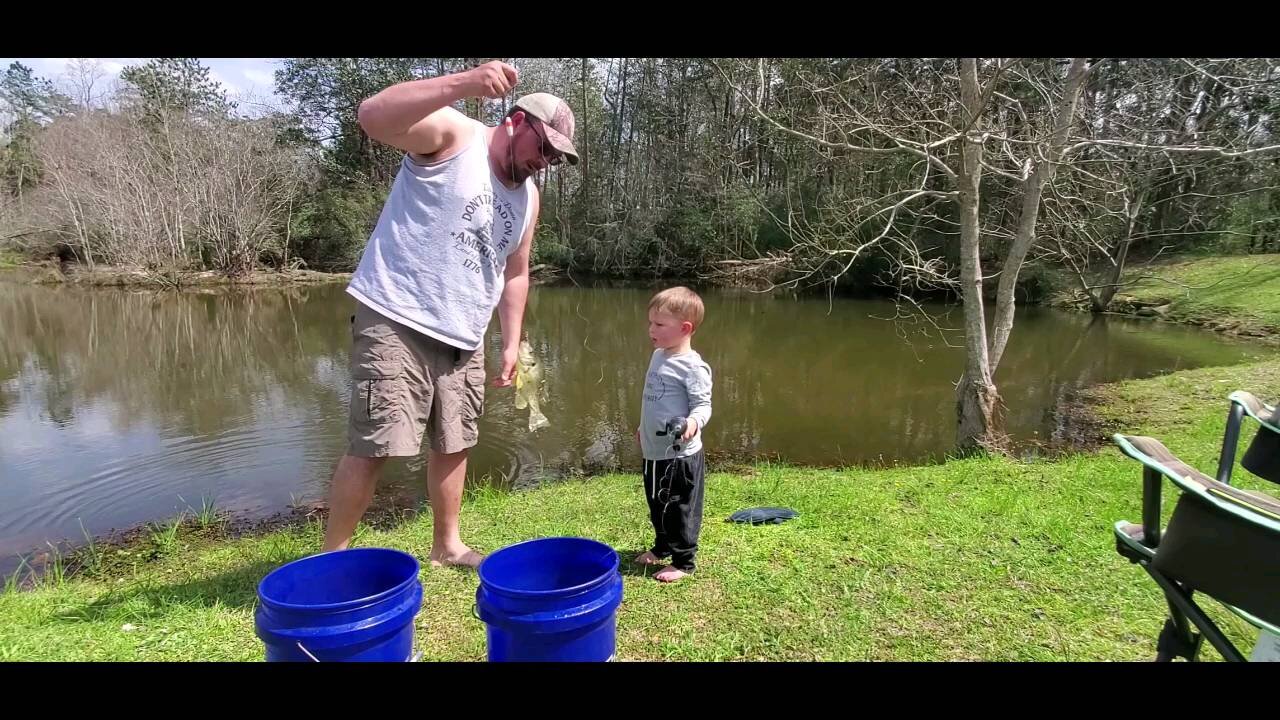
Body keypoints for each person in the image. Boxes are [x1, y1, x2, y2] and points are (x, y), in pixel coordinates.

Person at [320, 60, 579, 568]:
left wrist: (509, 343)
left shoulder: (528, 198)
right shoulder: (456, 132)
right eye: (542, 147)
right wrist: (463, 83)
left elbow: (516, 272)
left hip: (464, 336)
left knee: (455, 442)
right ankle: (330, 562)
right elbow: (372, 116)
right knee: (376, 444)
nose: (544, 161)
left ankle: (447, 546)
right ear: (515, 121)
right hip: (397, 316)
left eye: (554, 156)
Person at [634, 287, 714, 582]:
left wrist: (693, 423)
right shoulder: (658, 355)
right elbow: (653, 398)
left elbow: (703, 406)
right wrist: (642, 427)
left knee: (679, 506)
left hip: (680, 455)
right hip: (654, 449)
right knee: (657, 501)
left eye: (659, 324)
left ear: (685, 328)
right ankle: (663, 546)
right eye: (650, 322)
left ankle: (684, 561)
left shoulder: (693, 367)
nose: (651, 329)